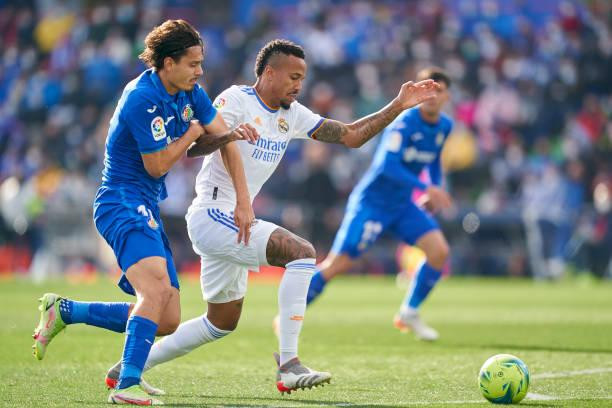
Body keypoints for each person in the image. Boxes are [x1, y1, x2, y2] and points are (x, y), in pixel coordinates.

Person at [102, 39, 440, 397]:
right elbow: (195, 147)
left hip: (232, 220)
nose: (299, 85)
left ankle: (131, 365)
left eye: (302, 78)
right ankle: (290, 365)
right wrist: (229, 137)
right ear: (269, 73)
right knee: (302, 253)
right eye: (293, 77)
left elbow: (351, 135)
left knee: (221, 322)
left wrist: (398, 105)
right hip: (213, 212)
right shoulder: (236, 99)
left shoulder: (292, 114)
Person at [31, 19, 257, 405]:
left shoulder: (191, 91)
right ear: (168, 63)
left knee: (167, 319)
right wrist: (192, 133)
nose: (200, 71)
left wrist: (243, 198)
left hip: (145, 204)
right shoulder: (141, 98)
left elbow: (223, 137)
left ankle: (64, 311)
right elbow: (157, 165)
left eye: (201, 63)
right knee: (154, 291)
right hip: (120, 200)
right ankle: (127, 384)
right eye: (193, 64)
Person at [302, 67, 454, 341]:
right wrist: (425, 187)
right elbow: (387, 165)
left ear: (447, 96)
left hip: (401, 205)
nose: (432, 96)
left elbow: (433, 161)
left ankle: (409, 312)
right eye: (427, 90)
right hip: (373, 203)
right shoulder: (404, 123)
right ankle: (291, 311)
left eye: (438, 91)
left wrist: (434, 188)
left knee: (439, 251)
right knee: (337, 264)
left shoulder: (444, 126)